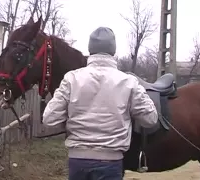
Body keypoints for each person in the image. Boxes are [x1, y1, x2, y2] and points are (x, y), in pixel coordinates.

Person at [42, 27, 158, 180]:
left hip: (78, 161)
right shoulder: (129, 82)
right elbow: (150, 119)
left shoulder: (71, 79)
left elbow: (49, 119)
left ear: (90, 50)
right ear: (113, 51)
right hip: (111, 162)